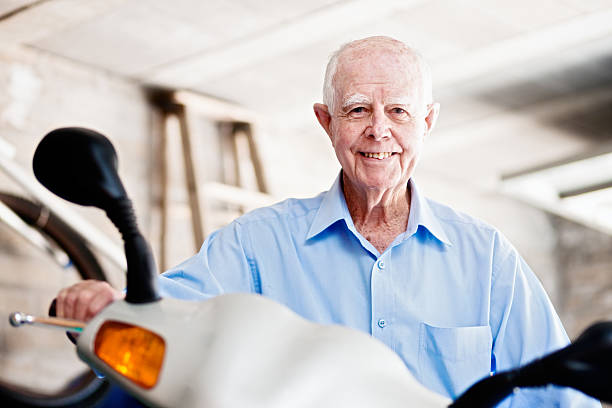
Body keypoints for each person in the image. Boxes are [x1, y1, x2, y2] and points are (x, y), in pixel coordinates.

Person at [55, 36, 600, 406]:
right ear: (327, 121)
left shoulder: (486, 258)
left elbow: (560, 397)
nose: (378, 131)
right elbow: (160, 324)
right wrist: (105, 306)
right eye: (359, 109)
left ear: (427, 122)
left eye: (400, 112)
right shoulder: (257, 244)